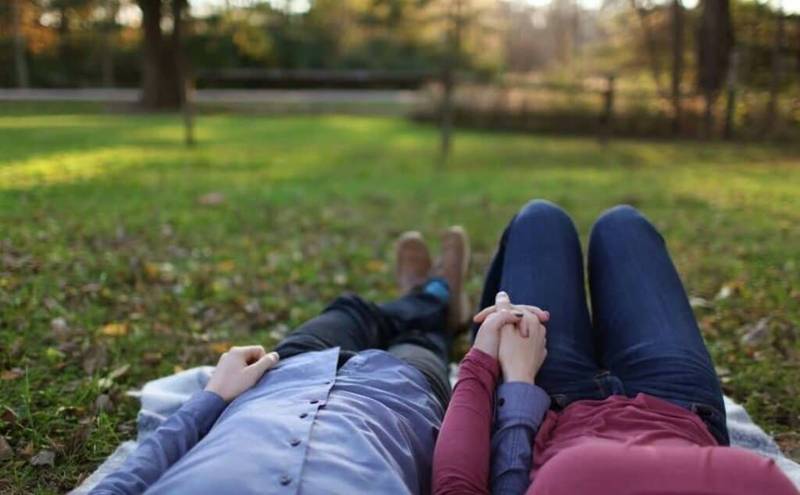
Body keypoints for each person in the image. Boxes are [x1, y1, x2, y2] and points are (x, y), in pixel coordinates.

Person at [432, 200, 798, 495]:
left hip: (546, 405)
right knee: (623, 225)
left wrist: (490, 363)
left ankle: (452, 311)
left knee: (540, 220)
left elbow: (457, 485)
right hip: (680, 409)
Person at [91, 228, 471, 495]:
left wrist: (214, 396)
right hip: (399, 404)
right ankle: (434, 300)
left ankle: (426, 297)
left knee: (352, 310)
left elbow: (129, 478)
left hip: (281, 379)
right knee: (422, 339)